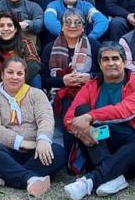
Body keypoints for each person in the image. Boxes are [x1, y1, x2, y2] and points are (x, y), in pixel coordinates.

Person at [63, 43, 135, 200]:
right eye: (105, 59)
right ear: (99, 64)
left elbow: (124, 111)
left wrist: (90, 117)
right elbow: (70, 118)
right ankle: (113, 176)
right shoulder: (91, 86)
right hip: (98, 141)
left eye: (115, 58)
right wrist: (85, 127)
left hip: (130, 151)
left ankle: (91, 181)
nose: (111, 63)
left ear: (124, 61)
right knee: (82, 111)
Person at [0, 57, 66, 198]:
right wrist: (21, 142)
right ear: (2, 74)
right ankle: (30, 178)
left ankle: (3, 176)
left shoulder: (37, 94)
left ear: (25, 75)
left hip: (35, 151)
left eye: (19, 73)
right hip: (6, 151)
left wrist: (43, 140)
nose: (14, 77)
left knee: (58, 152)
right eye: (10, 72)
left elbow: (45, 119)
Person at [40, 9, 95, 153]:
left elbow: (104, 73)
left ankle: (91, 150)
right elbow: (43, 79)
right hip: (60, 94)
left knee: (84, 109)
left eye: (77, 22)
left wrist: (89, 77)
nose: (72, 26)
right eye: (68, 22)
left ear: (83, 27)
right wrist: (62, 81)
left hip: (88, 92)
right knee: (68, 105)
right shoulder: (50, 48)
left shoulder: (93, 45)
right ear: (62, 26)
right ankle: (71, 153)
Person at [0, 13, 43, 102]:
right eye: (1, 26)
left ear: (15, 29)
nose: (5, 29)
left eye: (9, 25)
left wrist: (14, 82)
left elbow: (34, 64)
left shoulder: (26, 43)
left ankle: (31, 110)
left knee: (36, 78)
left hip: (20, 84)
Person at [44, 0, 109, 50]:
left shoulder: (85, 6)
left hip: (83, 43)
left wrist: (90, 37)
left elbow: (103, 21)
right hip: (59, 43)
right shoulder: (53, 5)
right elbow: (49, 21)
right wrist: (70, 35)